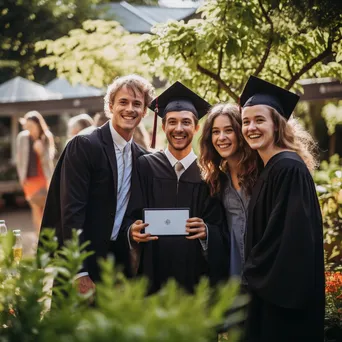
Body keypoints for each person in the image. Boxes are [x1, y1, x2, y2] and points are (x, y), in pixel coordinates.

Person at [40, 74, 155, 296]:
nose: (129, 109)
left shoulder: (140, 157)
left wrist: (132, 229)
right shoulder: (84, 145)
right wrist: (79, 271)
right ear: (110, 106)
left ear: (144, 112)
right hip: (82, 257)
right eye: (123, 102)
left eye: (137, 104)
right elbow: (71, 211)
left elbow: (127, 210)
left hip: (116, 262)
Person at [240, 76, 325, 342]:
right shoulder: (273, 168)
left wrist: (252, 272)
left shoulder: (288, 168)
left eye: (259, 120)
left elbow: (291, 239)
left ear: (277, 125)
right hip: (270, 296)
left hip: (282, 300)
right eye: (245, 121)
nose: (251, 127)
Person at [125, 81, 230, 294]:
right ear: (163, 127)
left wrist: (207, 232)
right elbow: (128, 212)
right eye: (171, 122)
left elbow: (222, 227)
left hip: (195, 281)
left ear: (196, 127)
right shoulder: (145, 166)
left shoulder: (209, 174)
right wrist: (131, 231)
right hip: (151, 278)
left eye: (186, 122)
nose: (178, 129)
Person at [199, 103, 259, 279]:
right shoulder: (216, 181)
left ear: (240, 133)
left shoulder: (262, 174)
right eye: (216, 132)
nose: (221, 137)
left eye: (228, 130)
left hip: (263, 273)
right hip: (232, 276)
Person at [16, 111, 55, 234]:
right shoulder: (22, 137)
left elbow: (49, 160)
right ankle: (39, 237)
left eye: (31, 126)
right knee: (35, 209)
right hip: (29, 180)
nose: (29, 129)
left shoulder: (46, 137)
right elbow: (19, 160)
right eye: (27, 127)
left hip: (44, 179)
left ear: (38, 125)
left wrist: (41, 151)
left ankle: (46, 236)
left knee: (46, 210)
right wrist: (21, 178)